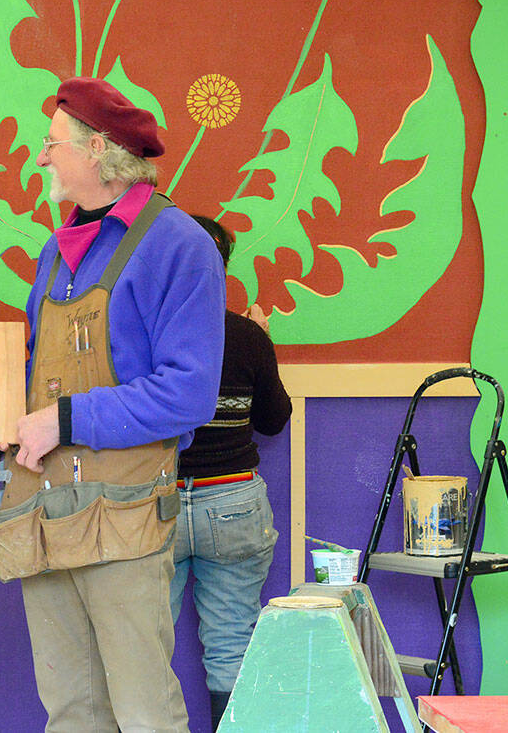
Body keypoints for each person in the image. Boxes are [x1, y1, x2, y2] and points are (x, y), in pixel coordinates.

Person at [0, 77, 224, 732]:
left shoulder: (180, 245)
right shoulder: (54, 254)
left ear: (99, 149)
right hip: (42, 510)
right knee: (71, 712)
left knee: (143, 711)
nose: (42, 157)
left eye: (52, 144)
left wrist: (65, 418)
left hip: (125, 517)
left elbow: (189, 391)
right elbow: (36, 370)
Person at [174, 215, 292, 731]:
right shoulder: (244, 336)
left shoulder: (148, 332)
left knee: (141, 646)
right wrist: (261, 340)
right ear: (221, 269)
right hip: (234, 500)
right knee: (231, 647)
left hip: (157, 502)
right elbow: (273, 418)